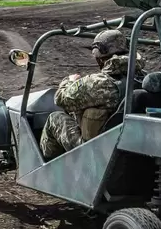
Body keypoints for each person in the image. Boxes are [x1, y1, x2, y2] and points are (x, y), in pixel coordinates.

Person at [39, 29, 145, 159]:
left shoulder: (99, 83)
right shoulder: (144, 79)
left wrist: (69, 81)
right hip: (131, 144)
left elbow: (60, 98)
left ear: (100, 59)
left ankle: (49, 170)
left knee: (54, 118)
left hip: (94, 151)